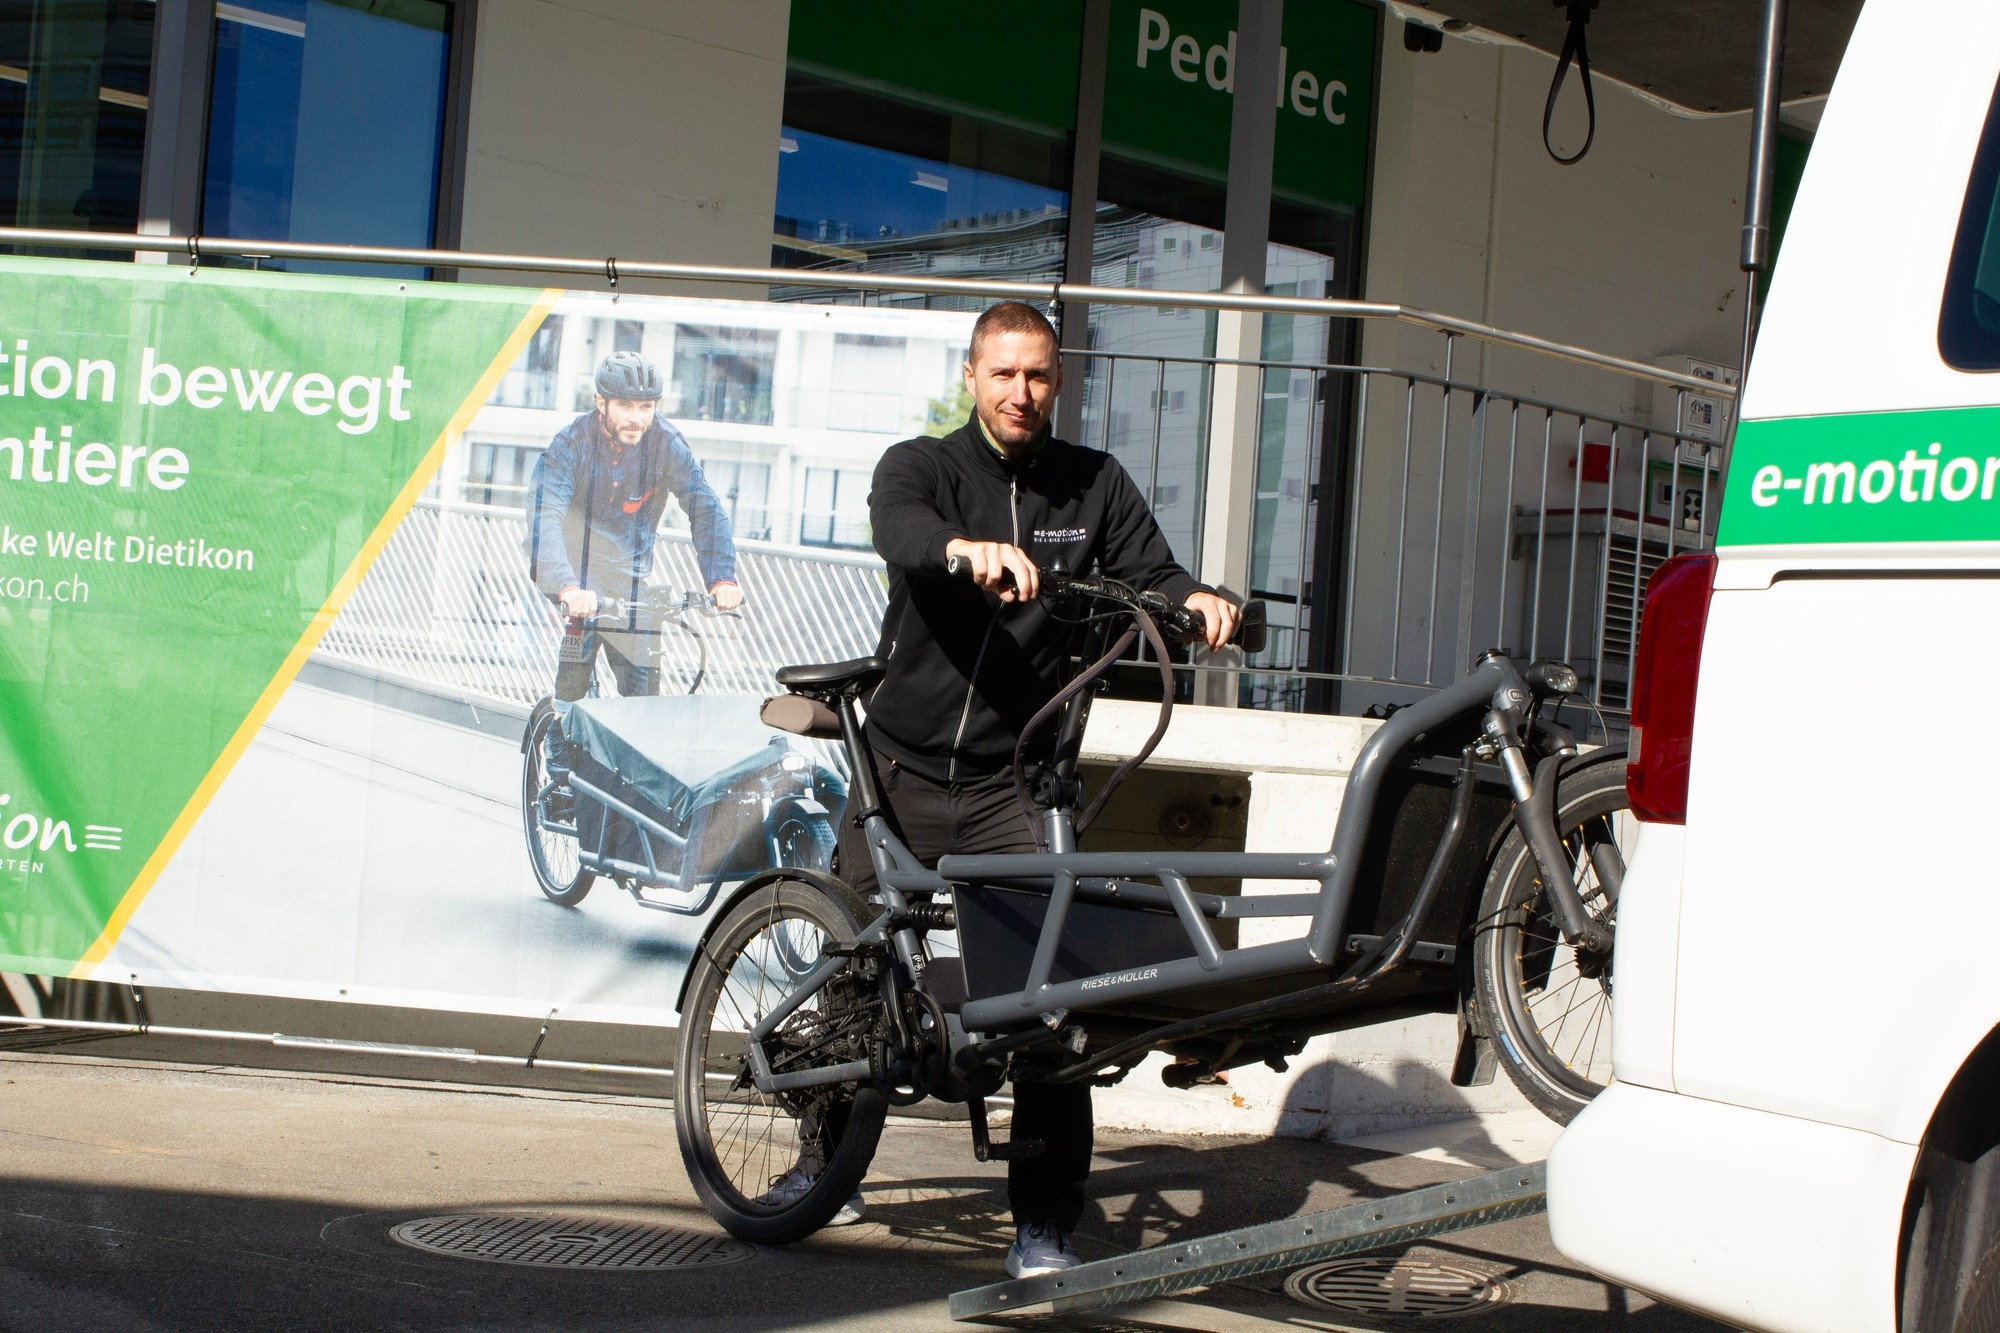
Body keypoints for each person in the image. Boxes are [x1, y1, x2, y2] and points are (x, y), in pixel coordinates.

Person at [839, 301, 1239, 1277]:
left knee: (1044, 1000)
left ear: (1059, 382)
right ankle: (821, 1156)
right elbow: (900, 528)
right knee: (852, 977)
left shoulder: (1091, 483)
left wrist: (1196, 600)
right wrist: (959, 550)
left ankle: (1044, 1225)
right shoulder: (922, 466)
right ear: (972, 376)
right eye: (1004, 373)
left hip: (1012, 780)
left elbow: (1153, 570)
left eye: (1039, 376)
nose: (1022, 393)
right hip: (900, 765)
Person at [525, 350, 742, 699]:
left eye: (646, 407)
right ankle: (561, 734)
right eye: (625, 405)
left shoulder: (666, 444)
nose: (636, 418)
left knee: (643, 698)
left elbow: (705, 507)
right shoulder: (570, 444)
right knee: (575, 687)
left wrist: (721, 578)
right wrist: (566, 587)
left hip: (628, 575)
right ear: (601, 402)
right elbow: (544, 519)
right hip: (574, 570)